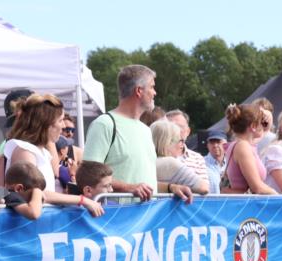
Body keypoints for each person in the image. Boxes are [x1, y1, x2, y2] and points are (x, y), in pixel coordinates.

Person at [82, 65, 192, 202]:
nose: (155, 92)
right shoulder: (105, 124)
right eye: (152, 87)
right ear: (139, 91)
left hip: (146, 218)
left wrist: (170, 188)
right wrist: (127, 188)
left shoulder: (145, 130)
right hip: (116, 218)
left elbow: (142, 185)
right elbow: (88, 176)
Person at [3, 93, 103, 216]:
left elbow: (55, 173)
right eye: (60, 120)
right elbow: (38, 193)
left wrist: (48, 138)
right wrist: (82, 200)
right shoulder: (25, 151)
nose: (63, 126)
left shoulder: (41, 150)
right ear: (46, 124)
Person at [223, 103, 276, 195]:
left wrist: (264, 123)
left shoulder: (239, 145)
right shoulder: (243, 147)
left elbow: (257, 137)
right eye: (261, 122)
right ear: (253, 126)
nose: (263, 125)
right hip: (246, 206)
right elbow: (257, 187)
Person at [151, 119, 207, 193]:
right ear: (168, 142)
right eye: (179, 140)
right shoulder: (170, 163)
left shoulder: (145, 162)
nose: (182, 144)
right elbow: (204, 188)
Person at [164, 109, 210, 194]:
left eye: (179, 127)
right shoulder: (155, 155)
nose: (175, 130)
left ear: (188, 131)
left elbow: (205, 190)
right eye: (171, 127)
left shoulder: (197, 159)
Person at [204, 130, 228, 195]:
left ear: (226, 145)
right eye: (212, 142)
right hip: (209, 203)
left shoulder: (232, 163)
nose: (215, 145)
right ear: (207, 145)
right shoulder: (201, 163)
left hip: (229, 203)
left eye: (218, 142)